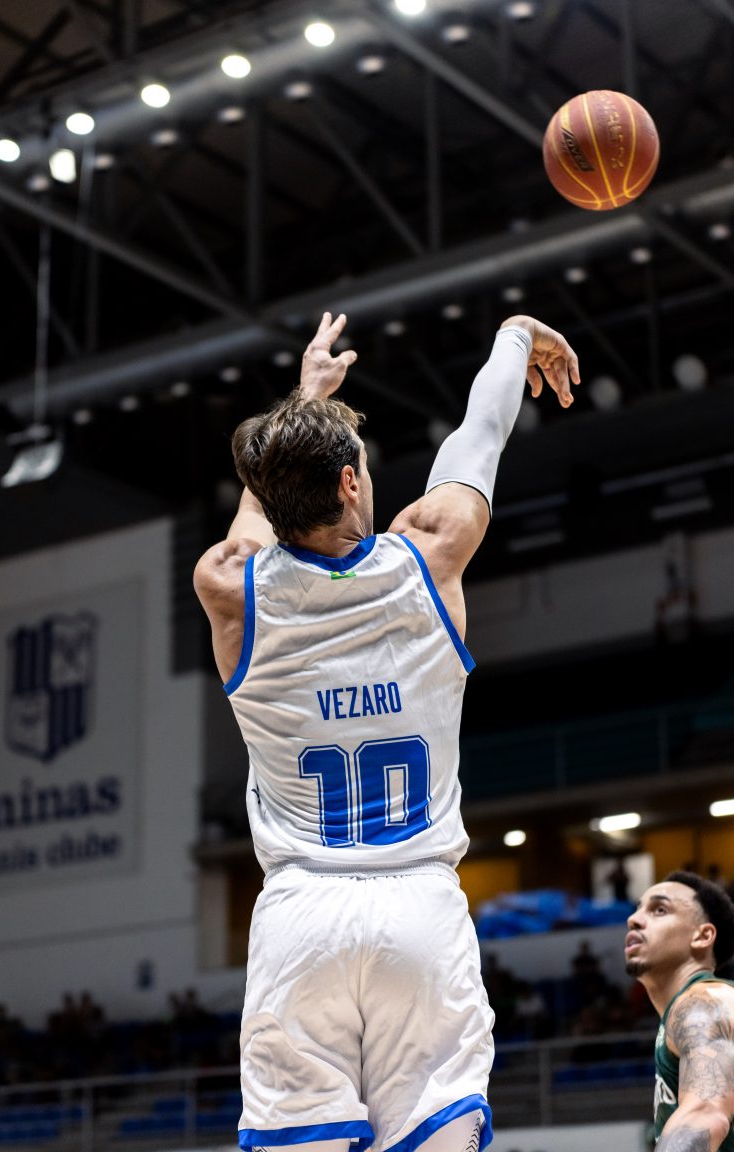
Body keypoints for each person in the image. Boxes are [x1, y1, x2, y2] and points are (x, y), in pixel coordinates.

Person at [194, 310, 579, 1152]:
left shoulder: (231, 589)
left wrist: (305, 400)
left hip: (301, 912)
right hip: (419, 905)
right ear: (348, 483)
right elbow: (479, 438)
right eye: (361, 465)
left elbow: (255, 522)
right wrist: (514, 336)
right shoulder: (429, 555)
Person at [625, 870, 734, 1152]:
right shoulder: (688, 1009)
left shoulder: (703, 1004)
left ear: (702, 936)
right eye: (638, 909)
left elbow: (705, 1114)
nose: (633, 919)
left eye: (659, 910)